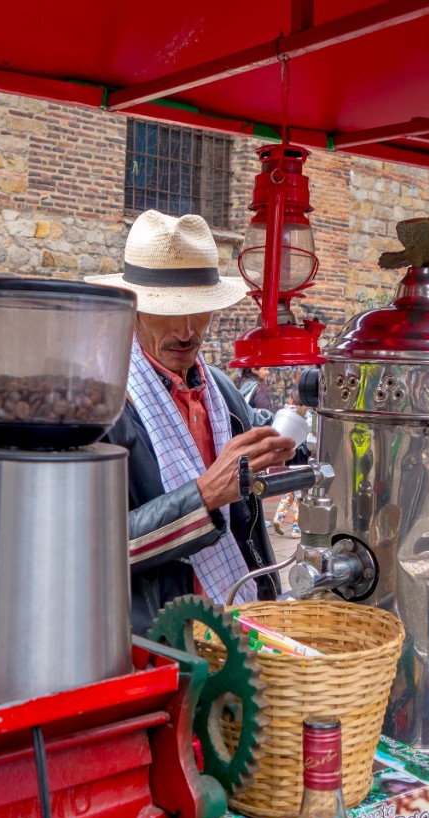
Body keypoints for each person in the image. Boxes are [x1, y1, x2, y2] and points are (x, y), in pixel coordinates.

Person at [89, 210, 296, 632]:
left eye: (199, 310)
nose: (186, 331)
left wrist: (285, 441)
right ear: (133, 309)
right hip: (157, 634)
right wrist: (202, 497)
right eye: (167, 311)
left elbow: (257, 438)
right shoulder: (100, 404)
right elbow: (91, 547)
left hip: (238, 617)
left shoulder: (219, 389)